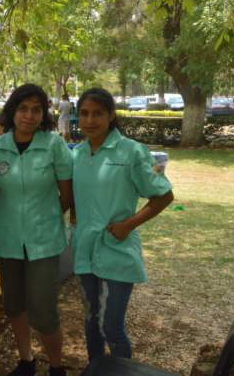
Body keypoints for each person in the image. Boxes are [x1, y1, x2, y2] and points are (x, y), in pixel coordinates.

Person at [71, 87, 174, 364]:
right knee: (91, 323)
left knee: (111, 326)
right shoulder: (77, 154)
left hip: (117, 249)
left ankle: (121, 370)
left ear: (110, 116)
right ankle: (95, 369)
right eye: (84, 113)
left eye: (97, 114)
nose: (90, 120)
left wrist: (129, 225)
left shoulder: (131, 151)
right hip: (85, 249)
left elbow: (164, 196)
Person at [0, 84, 73, 376]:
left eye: (36, 109)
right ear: (12, 111)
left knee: (43, 310)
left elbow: (67, 194)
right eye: (23, 108)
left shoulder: (54, 145)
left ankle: (57, 366)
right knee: (13, 304)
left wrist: (44, 218)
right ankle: (26, 360)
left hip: (44, 241)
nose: (29, 115)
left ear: (43, 113)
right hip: (6, 240)